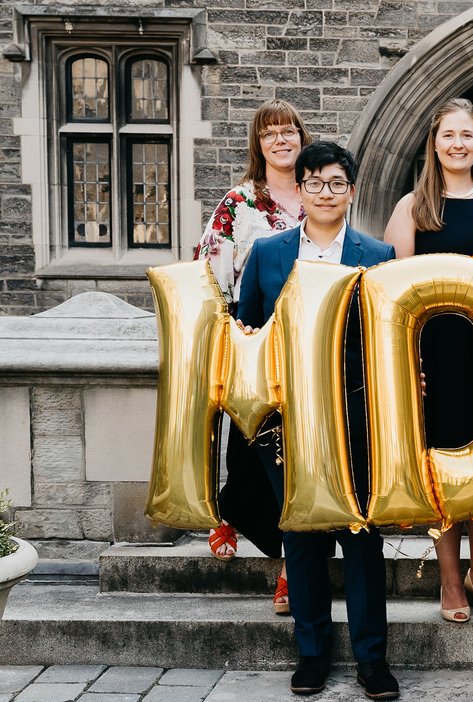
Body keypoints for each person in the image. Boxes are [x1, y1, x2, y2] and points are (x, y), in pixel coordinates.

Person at [238, 141, 400, 700]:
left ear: (350, 191)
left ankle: (371, 660)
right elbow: (248, 335)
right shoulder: (267, 253)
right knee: (301, 537)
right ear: (300, 191)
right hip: (287, 419)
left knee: (361, 536)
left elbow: (390, 340)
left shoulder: (377, 255)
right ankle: (311, 654)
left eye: (336, 182)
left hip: (357, 416)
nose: (325, 192)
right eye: (314, 183)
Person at [384, 98, 473, 624]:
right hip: (434, 355)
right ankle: (450, 580)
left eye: (468, 135)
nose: (459, 144)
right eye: (449, 135)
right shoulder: (414, 207)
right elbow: (394, 294)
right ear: (434, 143)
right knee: (442, 468)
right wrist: (407, 363)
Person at [194, 99, 313, 615]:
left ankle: (291, 560)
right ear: (258, 144)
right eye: (271, 134)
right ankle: (253, 527)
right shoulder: (239, 204)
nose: (281, 140)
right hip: (254, 339)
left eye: (289, 131)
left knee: (306, 455)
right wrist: (227, 335)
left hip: (312, 343)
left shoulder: (320, 195)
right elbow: (210, 271)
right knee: (258, 448)